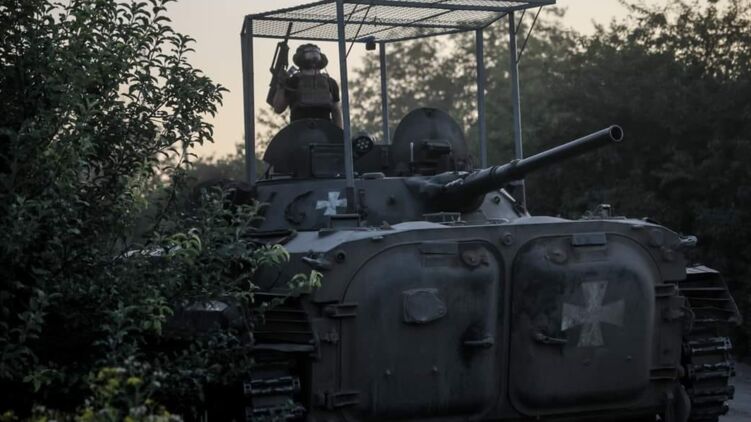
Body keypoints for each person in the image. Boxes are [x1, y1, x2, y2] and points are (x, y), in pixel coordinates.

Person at [272, 44, 343, 128]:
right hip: (299, 130)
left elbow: (336, 112)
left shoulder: (330, 83)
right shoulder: (293, 81)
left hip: (324, 131)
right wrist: (281, 85)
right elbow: (278, 108)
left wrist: (339, 134)